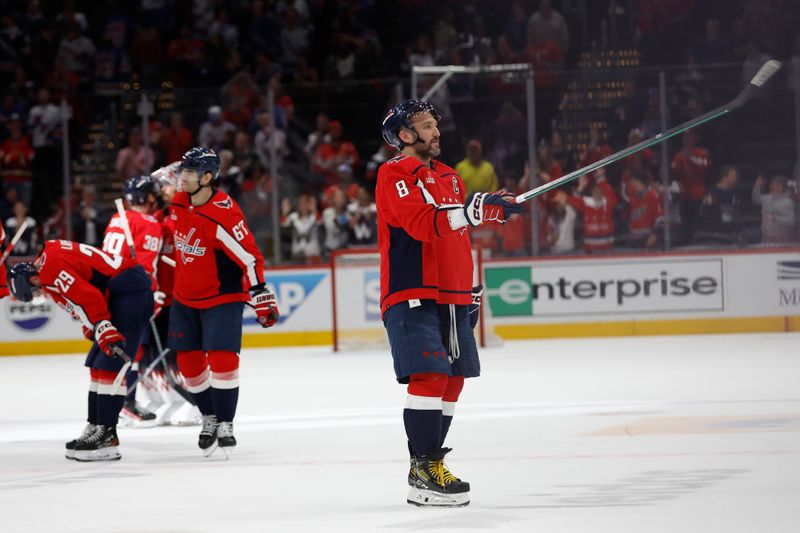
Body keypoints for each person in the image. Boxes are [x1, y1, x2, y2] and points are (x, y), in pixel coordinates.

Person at [377, 99, 522, 507]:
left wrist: (489, 211)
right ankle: (423, 468)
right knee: (430, 374)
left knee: (453, 379)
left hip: (452, 294)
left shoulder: (449, 177)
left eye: (434, 124)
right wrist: (472, 212)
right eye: (425, 126)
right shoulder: (394, 174)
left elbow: (457, 232)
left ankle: (428, 466)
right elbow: (423, 224)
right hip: (413, 290)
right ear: (404, 136)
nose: (435, 131)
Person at [168, 147, 280, 457]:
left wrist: (259, 292)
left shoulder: (223, 212)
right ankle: (210, 416)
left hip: (222, 296)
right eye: (182, 171)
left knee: (223, 361)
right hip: (184, 298)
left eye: (189, 173)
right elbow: (158, 185)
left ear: (207, 177)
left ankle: (226, 422)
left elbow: (250, 256)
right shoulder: (178, 201)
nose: (182, 178)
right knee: (187, 365)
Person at [6, 240, 153, 461]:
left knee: (110, 365)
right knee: (96, 364)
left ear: (30, 279)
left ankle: (107, 435)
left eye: (35, 287)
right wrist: (93, 324)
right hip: (120, 291)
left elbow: (88, 296)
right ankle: (96, 425)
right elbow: (83, 292)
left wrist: (101, 324)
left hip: (129, 291)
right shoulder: (48, 257)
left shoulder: (49, 269)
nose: (40, 290)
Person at [102, 175, 164, 425]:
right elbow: (147, 267)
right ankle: (126, 402)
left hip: (110, 289)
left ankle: (115, 402)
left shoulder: (118, 218)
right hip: (132, 292)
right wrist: (154, 293)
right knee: (133, 350)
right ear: (148, 197)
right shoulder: (150, 224)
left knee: (115, 349)